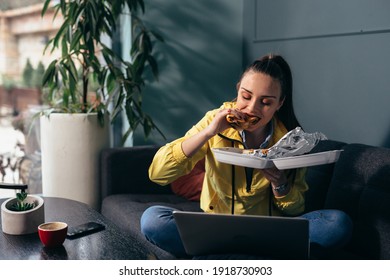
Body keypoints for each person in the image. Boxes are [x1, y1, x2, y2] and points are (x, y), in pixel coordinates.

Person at [140, 54, 353, 259]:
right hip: (216, 230)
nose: (252, 109)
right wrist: (208, 133)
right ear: (238, 90)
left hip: (269, 233)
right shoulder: (214, 121)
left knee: (337, 223)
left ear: (279, 104)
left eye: (266, 102)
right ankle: (261, 262)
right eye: (246, 96)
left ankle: (220, 260)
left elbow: (296, 209)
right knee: (152, 220)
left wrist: (280, 184)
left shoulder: (292, 140)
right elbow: (158, 174)